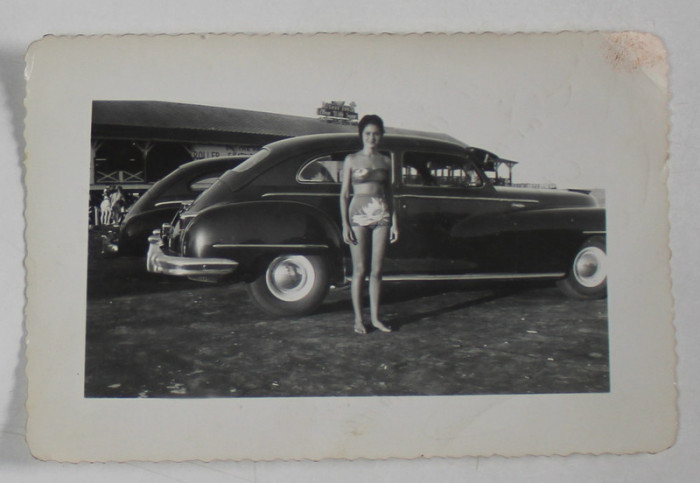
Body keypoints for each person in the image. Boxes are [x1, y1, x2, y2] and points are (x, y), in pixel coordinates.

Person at [340, 114, 399, 334]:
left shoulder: (386, 160)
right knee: (360, 269)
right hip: (358, 215)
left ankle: (375, 318)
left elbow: (391, 193)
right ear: (361, 135)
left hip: (381, 214)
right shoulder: (351, 160)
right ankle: (358, 319)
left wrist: (394, 223)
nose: (372, 138)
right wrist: (345, 224)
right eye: (367, 134)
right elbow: (344, 194)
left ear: (381, 136)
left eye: (376, 134)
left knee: (377, 271)